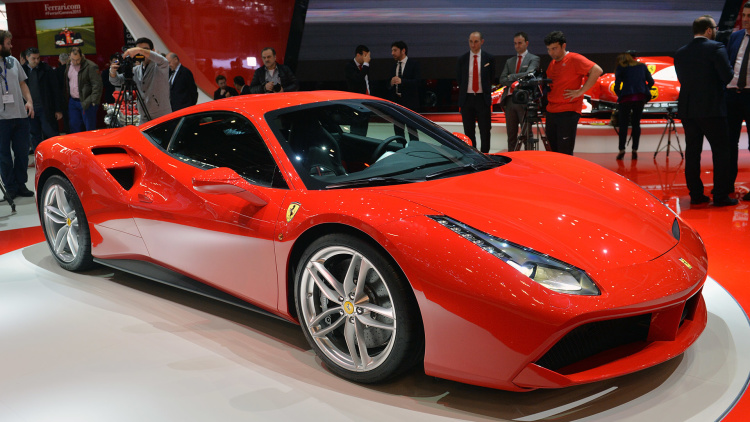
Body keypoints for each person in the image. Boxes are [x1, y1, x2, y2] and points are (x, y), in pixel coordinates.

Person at [675, 15, 738, 206]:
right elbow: (727, 77)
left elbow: (683, 79)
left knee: (693, 153)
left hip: (688, 109)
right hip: (712, 109)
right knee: (721, 151)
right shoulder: (716, 48)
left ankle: (696, 195)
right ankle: (720, 196)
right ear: (709, 30)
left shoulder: (681, 52)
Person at [543, 31, 602, 155]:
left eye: (554, 48)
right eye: (549, 49)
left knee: (565, 152)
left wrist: (581, 91)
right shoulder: (552, 63)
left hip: (568, 111)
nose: (551, 53)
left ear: (563, 46)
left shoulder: (574, 58)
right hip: (551, 111)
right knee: (552, 152)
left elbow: (597, 70)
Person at [0, 31, 35, 200]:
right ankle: (10, 187)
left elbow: (22, 83)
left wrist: (29, 101)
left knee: (22, 153)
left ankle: (21, 185)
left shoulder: (13, 61)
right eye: (8, 43)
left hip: (20, 116)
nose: (11, 46)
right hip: (1, 119)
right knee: (4, 156)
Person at [109, 37, 172, 124]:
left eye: (145, 49)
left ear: (153, 51)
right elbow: (117, 81)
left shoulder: (160, 66)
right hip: (143, 115)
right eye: (138, 50)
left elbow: (163, 60)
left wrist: (139, 50)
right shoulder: (136, 69)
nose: (141, 52)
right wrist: (112, 71)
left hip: (161, 115)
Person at [499, 32, 540, 151]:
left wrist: (511, 76)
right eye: (515, 43)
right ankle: (512, 158)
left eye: (520, 43)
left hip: (524, 100)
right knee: (511, 135)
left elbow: (529, 75)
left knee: (527, 134)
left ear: (526, 43)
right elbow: (502, 79)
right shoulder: (509, 61)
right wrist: (519, 78)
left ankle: (528, 158)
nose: (517, 46)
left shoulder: (534, 59)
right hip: (510, 100)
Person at [725, 2, 750, 202]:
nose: (746, 19)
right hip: (732, 95)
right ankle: (726, 184)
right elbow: (727, 63)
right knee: (729, 142)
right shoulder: (735, 36)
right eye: (745, 15)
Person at [455, 32, 495, 153]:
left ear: (482, 42)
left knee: (485, 130)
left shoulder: (489, 58)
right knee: (469, 130)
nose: (473, 44)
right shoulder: (462, 59)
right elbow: (459, 79)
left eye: (476, 41)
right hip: (467, 99)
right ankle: (472, 155)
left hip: (482, 99)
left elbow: (491, 77)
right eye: (471, 41)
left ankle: (485, 155)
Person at [613, 51, 654, 160]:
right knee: (636, 123)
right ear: (634, 57)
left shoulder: (621, 67)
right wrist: (644, 89)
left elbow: (616, 86)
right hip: (640, 98)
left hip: (626, 98)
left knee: (623, 124)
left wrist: (620, 94)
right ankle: (634, 150)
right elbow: (651, 82)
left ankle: (621, 149)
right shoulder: (642, 66)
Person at [23, 48, 62, 152]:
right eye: (33, 58)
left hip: (45, 107)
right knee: (34, 135)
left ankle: (56, 153)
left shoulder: (46, 69)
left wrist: (58, 109)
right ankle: (38, 156)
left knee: (50, 133)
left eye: (38, 58)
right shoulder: (22, 70)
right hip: (30, 109)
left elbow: (55, 90)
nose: (36, 61)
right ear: (27, 58)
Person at [65, 47, 101, 132]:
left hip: (87, 100)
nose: (75, 62)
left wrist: (93, 101)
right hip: (73, 101)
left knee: (89, 128)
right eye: (73, 59)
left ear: (81, 56)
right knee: (74, 126)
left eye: (77, 60)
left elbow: (97, 85)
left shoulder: (90, 66)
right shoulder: (68, 65)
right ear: (69, 56)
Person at [388, 41, 420, 111]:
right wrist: (391, 83)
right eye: (392, 51)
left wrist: (402, 81)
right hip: (396, 102)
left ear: (403, 51)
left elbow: (418, 82)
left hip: (410, 103)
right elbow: (389, 84)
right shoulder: (394, 66)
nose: (392, 53)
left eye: (395, 50)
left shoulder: (413, 64)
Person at [55, 52, 70, 133]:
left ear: (59, 60)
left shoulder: (57, 71)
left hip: (62, 97)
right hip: (72, 96)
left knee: (66, 118)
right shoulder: (71, 70)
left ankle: (67, 132)